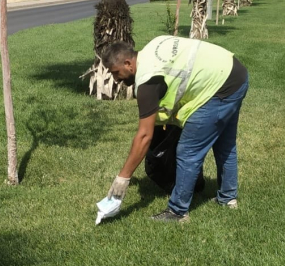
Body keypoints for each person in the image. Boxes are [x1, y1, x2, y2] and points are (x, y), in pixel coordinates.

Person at [102, 36, 249, 223]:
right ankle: (228, 199)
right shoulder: (152, 46)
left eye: (116, 72)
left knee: (188, 151)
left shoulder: (147, 82)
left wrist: (123, 178)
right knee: (225, 144)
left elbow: (144, 135)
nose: (116, 79)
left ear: (128, 63)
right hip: (236, 73)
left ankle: (178, 212)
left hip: (219, 88)